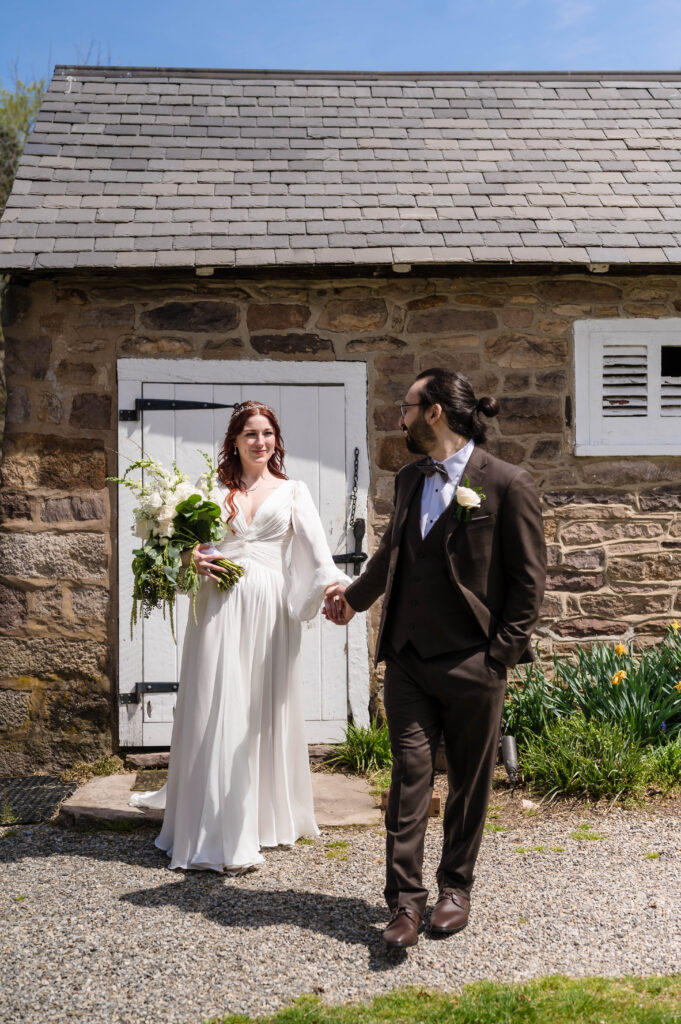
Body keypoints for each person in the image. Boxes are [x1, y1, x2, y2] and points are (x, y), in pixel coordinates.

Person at [325, 368, 546, 949]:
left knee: (470, 782)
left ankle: (455, 889)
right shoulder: (407, 480)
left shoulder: (507, 483)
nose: (398, 417)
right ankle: (403, 900)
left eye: (406, 406)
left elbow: (528, 584)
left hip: (474, 662)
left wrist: (499, 656)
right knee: (409, 777)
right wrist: (352, 599)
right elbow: (391, 556)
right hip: (407, 658)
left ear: (435, 412)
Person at [130, 400, 349, 873]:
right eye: (250, 433)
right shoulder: (211, 491)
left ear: (276, 440)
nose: (259, 441)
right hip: (217, 605)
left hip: (269, 609)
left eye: (267, 433)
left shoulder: (293, 491)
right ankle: (212, 823)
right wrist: (191, 559)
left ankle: (262, 817)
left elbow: (318, 551)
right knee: (214, 701)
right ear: (234, 440)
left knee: (258, 707)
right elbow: (183, 547)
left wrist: (335, 589)